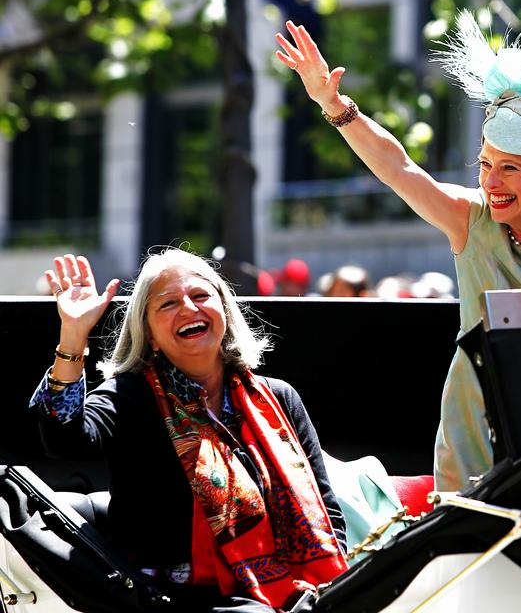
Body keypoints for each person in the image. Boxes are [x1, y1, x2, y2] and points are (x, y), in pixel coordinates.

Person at [275, 13, 521, 491]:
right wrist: (333, 103)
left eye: (509, 168)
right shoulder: (473, 219)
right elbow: (400, 169)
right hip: (472, 451)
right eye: (486, 163)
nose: (490, 180)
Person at [31, 250, 348, 612]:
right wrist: (73, 336)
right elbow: (62, 439)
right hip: (168, 597)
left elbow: (326, 511)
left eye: (200, 296)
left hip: (287, 591)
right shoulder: (133, 394)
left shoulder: (279, 398)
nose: (188, 309)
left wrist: (327, 590)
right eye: (167, 304)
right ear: (149, 335)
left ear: (225, 313)